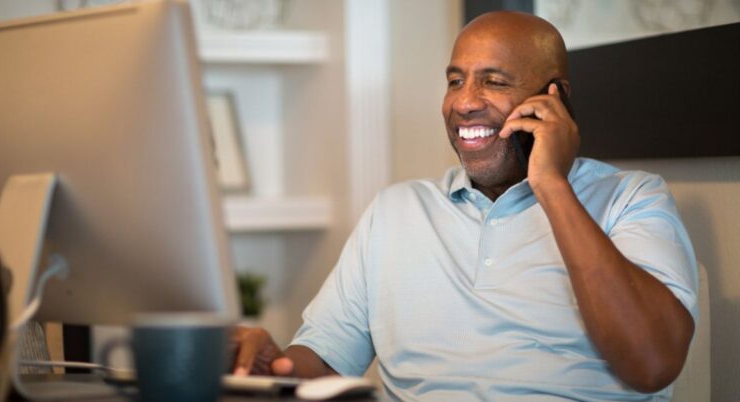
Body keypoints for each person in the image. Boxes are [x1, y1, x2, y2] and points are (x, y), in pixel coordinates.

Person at [231, 11, 698, 401]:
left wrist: (551, 184)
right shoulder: (396, 211)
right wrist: (273, 363)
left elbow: (652, 364)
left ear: (555, 101)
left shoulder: (632, 198)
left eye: (493, 81)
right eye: (456, 81)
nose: (465, 102)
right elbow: (322, 362)